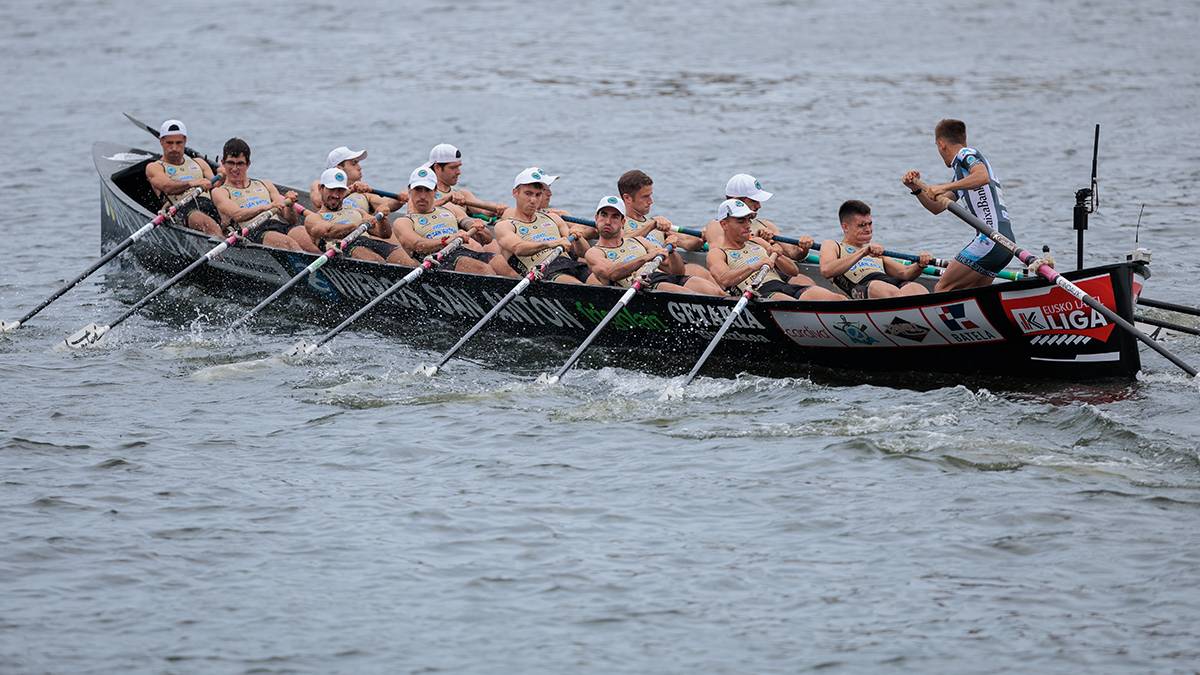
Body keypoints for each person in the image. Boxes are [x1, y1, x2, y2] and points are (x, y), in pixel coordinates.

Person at [902, 118, 1016, 291]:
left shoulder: (965, 154)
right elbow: (937, 207)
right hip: (1005, 243)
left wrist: (943, 186)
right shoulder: (962, 177)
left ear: (941, 144)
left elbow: (981, 176)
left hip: (990, 240)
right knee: (973, 293)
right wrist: (916, 188)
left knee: (942, 288)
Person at [707, 199, 844, 301]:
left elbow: (793, 272)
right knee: (794, 304)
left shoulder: (757, 241)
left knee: (838, 299)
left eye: (749, 220)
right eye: (741, 221)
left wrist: (778, 255)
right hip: (757, 294)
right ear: (724, 224)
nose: (748, 225)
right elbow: (724, 280)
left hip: (783, 286)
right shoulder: (717, 253)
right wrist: (754, 266)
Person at [584, 196, 724, 295]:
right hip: (642, 286)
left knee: (716, 293)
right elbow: (612, 274)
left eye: (614, 216)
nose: (608, 221)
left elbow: (677, 272)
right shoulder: (594, 252)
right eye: (604, 215)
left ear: (622, 222)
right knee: (690, 296)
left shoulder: (639, 241)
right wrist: (646, 258)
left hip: (661, 277)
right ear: (596, 218)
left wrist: (672, 252)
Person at [392, 166, 516, 275]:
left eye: (427, 190)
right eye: (418, 190)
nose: (423, 196)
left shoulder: (449, 209)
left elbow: (487, 239)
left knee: (501, 263)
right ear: (409, 190)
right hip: (435, 261)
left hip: (461, 252)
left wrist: (479, 228)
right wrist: (446, 240)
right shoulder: (403, 221)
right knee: (482, 269)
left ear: (435, 191)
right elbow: (417, 245)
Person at [211, 138, 318, 252]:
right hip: (252, 232)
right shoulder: (219, 191)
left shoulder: (265, 185)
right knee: (287, 243)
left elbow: (290, 219)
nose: (235, 169)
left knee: (304, 234)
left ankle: (328, 266)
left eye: (240, 164)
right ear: (223, 163)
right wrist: (266, 207)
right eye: (231, 163)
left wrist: (290, 205)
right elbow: (237, 215)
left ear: (248, 164)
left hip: (278, 225)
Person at [494, 168, 596, 284]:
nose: (533, 200)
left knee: (600, 282)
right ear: (515, 193)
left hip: (571, 264)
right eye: (528, 194)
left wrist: (578, 237)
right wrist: (550, 244)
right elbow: (518, 248)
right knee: (579, 287)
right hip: (543, 271)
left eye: (538, 195)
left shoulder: (553, 218)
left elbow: (584, 253)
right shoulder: (505, 226)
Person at [818, 200, 932, 299]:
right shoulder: (833, 245)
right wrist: (863, 252)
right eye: (862, 225)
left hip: (887, 282)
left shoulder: (874, 251)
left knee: (916, 288)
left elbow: (905, 273)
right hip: (863, 286)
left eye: (870, 224)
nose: (868, 229)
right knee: (881, 288)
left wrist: (920, 264)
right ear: (845, 227)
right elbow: (827, 270)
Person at [303, 167, 414, 264]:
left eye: (340, 190)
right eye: (332, 190)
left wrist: (382, 219)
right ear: (321, 189)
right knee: (374, 259)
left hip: (370, 242)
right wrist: (357, 226)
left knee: (408, 263)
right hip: (342, 247)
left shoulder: (358, 211)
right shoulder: (314, 218)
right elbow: (328, 231)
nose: (336, 195)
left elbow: (384, 234)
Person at [617, 169, 711, 280]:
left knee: (699, 271)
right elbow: (621, 243)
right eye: (645, 197)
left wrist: (703, 237)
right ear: (627, 198)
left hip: (668, 269)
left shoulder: (658, 224)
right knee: (695, 273)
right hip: (645, 274)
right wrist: (651, 225)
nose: (651, 201)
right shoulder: (617, 221)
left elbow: (688, 243)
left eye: (650, 195)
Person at [702, 173, 812, 261]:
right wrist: (757, 241)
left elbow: (794, 254)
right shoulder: (717, 226)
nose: (759, 205)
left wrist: (804, 247)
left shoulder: (766, 225)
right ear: (736, 201)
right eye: (754, 200)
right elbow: (724, 255)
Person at [144, 119, 222, 236]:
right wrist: (192, 183)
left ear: (185, 141)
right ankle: (223, 249)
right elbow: (167, 187)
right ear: (161, 142)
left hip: (210, 204)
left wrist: (225, 174)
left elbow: (217, 186)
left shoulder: (199, 162)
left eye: (178, 143)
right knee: (208, 225)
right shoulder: (155, 167)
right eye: (169, 143)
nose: (174, 148)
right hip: (183, 209)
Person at [309, 146, 403, 215]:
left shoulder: (365, 194)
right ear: (339, 169)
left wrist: (402, 198)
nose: (359, 167)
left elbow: (389, 205)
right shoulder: (321, 185)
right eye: (354, 164)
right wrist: (350, 190)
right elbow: (319, 201)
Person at [427, 143, 507, 219]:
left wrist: (497, 208)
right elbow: (419, 209)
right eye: (453, 168)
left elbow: (483, 209)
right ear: (437, 167)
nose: (458, 172)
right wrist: (446, 199)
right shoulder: (423, 193)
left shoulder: (463, 194)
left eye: (458, 167)